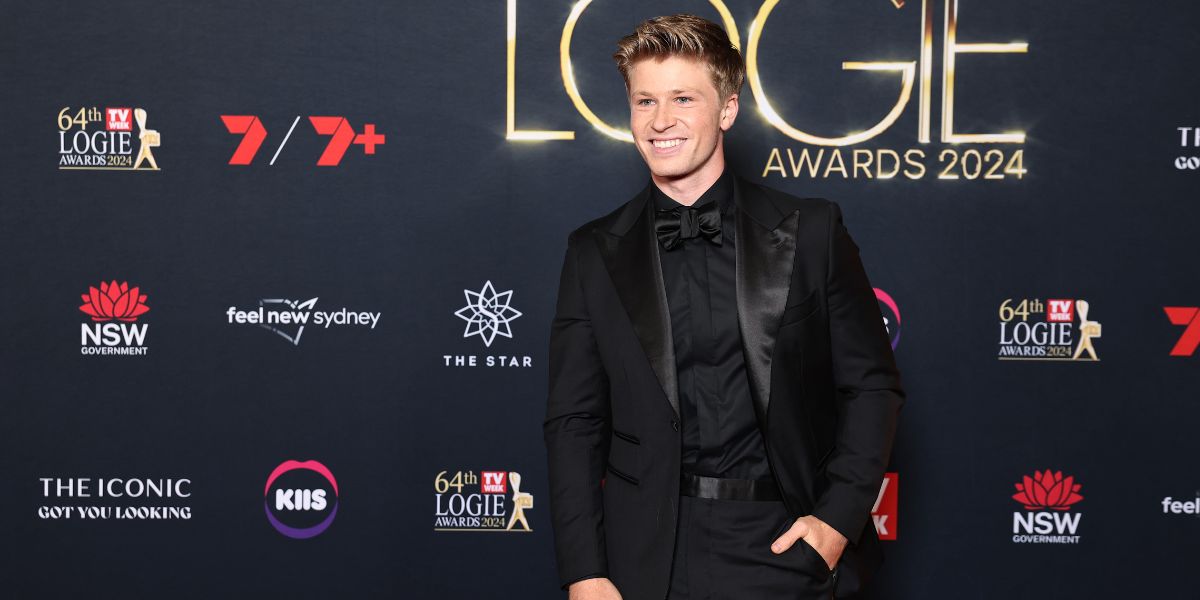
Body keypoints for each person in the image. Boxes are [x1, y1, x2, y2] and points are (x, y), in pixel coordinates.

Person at [544, 14, 904, 600]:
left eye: (683, 99)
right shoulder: (592, 252)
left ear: (728, 109)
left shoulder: (812, 231)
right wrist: (585, 571)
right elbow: (573, 422)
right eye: (644, 101)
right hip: (646, 561)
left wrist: (836, 523)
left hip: (785, 548)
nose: (660, 121)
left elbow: (871, 387)